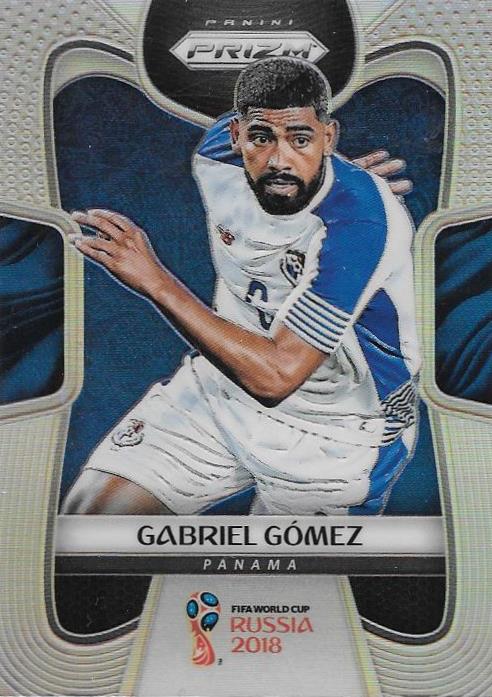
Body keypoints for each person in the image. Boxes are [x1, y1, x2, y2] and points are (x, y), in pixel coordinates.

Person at [62, 56, 420, 516]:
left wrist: (155, 280)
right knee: (88, 523)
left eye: (301, 139)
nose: (279, 160)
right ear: (235, 135)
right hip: (223, 391)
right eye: (260, 138)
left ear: (328, 138)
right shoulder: (216, 158)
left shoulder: (361, 224)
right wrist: (312, 164)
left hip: (340, 430)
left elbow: (277, 377)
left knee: (285, 565)